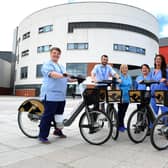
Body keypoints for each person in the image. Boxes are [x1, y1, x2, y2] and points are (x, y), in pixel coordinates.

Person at [39, 47, 76, 143]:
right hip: (50, 95)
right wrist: (65, 76)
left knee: (59, 115)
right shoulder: (47, 64)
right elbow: (53, 74)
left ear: (60, 55)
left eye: (58, 53)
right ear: (51, 54)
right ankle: (42, 136)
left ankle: (57, 130)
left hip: (61, 96)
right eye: (54, 53)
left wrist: (76, 78)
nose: (56, 55)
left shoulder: (61, 66)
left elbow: (66, 77)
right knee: (48, 116)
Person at [117, 64, 132, 132]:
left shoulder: (129, 76)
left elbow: (130, 86)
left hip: (128, 97)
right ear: (121, 69)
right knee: (120, 112)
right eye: (123, 68)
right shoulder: (119, 77)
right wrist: (120, 97)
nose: (125, 69)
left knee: (124, 112)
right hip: (121, 97)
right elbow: (117, 87)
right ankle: (119, 125)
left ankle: (122, 124)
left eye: (126, 68)